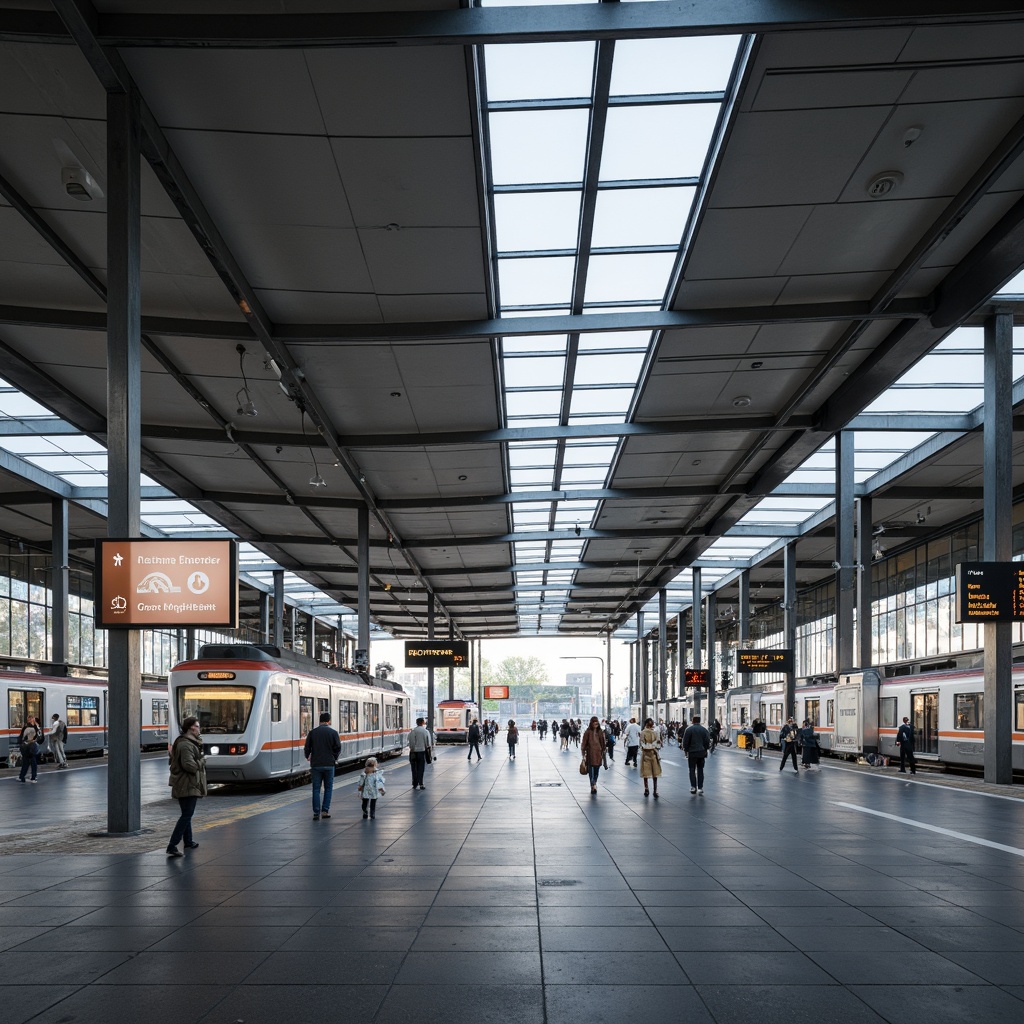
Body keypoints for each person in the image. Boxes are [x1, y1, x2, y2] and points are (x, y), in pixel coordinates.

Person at [166, 716, 207, 856]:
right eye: (198, 726)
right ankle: (172, 845)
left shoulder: (187, 743)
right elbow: (189, 766)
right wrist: (202, 761)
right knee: (186, 815)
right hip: (187, 783)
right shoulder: (186, 745)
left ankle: (188, 841)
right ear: (191, 728)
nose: (199, 729)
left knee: (187, 814)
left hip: (186, 783)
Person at [304, 711, 341, 820]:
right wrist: (334, 757)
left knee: (316, 789)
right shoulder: (333, 733)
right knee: (328, 788)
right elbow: (338, 748)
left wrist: (308, 756)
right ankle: (325, 811)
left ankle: (316, 812)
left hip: (316, 764)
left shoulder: (312, 733)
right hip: (329, 764)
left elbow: (307, 747)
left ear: (320, 721)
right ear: (329, 721)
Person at [682, 714, 711, 794]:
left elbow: (685, 742)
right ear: (699, 721)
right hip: (701, 753)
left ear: (693, 721)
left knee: (692, 769)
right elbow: (707, 742)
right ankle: (700, 788)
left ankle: (693, 787)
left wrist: (686, 751)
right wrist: (705, 750)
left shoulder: (689, 730)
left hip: (692, 753)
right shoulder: (704, 730)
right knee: (700, 770)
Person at [581, 716, 607, 794]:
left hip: (598, 753)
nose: (596, 724)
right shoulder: (588, 731)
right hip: (590, 753)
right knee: (591, 770)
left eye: (597, 722)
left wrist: (604, 750)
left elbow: (603, 742)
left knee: (596, 770)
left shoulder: (600, 731)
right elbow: (584, 743)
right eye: (594, 722)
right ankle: (593, 785)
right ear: (591, 723)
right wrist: (583, 752)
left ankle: (594, 782)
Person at [639, 717, 662, 798]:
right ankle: (655, 790)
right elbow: (658, 744)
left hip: (645, 754)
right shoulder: (655, 732)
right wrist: (653, 745)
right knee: (654, 773)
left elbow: (641, 743)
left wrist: (647, 746)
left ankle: (646, 789)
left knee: (645, 772)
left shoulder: (642, 732)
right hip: (653, 754)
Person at [408, 717, 432, 789]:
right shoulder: (425, 731)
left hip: (414, 752)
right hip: (422, 752)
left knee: (414, 768)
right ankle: (421, 783)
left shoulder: (413, 731)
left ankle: (414, 783)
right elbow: (428, 743)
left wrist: (412, 748)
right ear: (423, 722)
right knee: (421, 768)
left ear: (416, 722)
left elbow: (411, 741)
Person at [17, 716, 42, 783]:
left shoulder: (26, 727)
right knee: (33, 762)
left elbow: (22, 737)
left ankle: (22, 777)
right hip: (32, 746)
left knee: (26, 762)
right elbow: (39, 738)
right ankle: (33, 777)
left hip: (25, 746)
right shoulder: (36, 728)